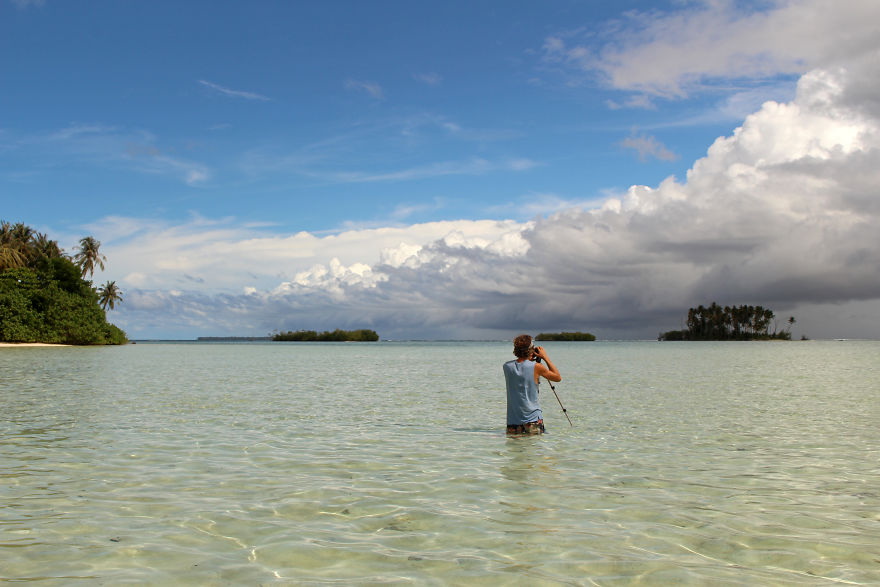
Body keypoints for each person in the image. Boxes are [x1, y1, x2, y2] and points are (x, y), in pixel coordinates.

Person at [503, 334, 562, 435]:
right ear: (531, 350)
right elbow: (557, 377)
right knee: (534, 449)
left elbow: (523, 367)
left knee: (514, 450)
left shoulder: (507, 366)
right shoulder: (537, 367)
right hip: (533, 420)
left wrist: (529, 357)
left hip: (513, 422)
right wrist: (545, 357)